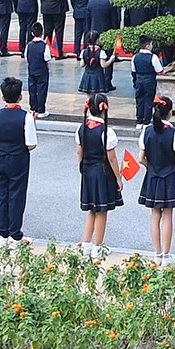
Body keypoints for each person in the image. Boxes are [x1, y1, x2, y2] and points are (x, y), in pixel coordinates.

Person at [0, 76, 38, 241]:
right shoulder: (26, 117)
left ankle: (2, 232)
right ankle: (15, 234)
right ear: (20, 96)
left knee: (1, 195)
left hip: (0, 157)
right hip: (19, 158)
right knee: (17, 194)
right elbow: (31, 144)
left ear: (2, 97)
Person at [139, 94, 175, 259]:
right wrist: (173, 171)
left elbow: (140, 158)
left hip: (152, 175)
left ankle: (157, 253)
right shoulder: (174, 134)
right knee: (167, 214)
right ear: (170, 112)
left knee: (154, 214)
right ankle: (166, 255)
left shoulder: (147, 131)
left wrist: (151, 167)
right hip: (169, 177)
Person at [76, 93, 124, 254]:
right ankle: (98, 246)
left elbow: (79, 152)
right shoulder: (106, 131)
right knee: (102, 210)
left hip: (87, 170)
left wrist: (84, 165)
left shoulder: (81, 127)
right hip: (102, 172)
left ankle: (86, 244)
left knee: (91, 208)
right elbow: (111, 157)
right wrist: (118, 178)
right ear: (104, 109)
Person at [130, 41, 163, 125]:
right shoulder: (153, 57)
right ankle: (146, 121)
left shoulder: (135, 57)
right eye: (151, 44)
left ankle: (139, 121)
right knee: (149, 101)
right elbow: (159, 70)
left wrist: (135, 81)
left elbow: (133, 71)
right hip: (149, 81)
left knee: (139, 101)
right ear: (148, 46)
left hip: (139, 80)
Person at [25, 33, 52, 117]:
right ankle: (41, 110)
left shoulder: (28, 45)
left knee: (32, 90)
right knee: (42, 90)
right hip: (42, 71)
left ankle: (33, 108)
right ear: (42, 33)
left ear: (32, 33)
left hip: (32, 70)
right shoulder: (44, 45)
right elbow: (47, 58)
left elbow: (26, 57)